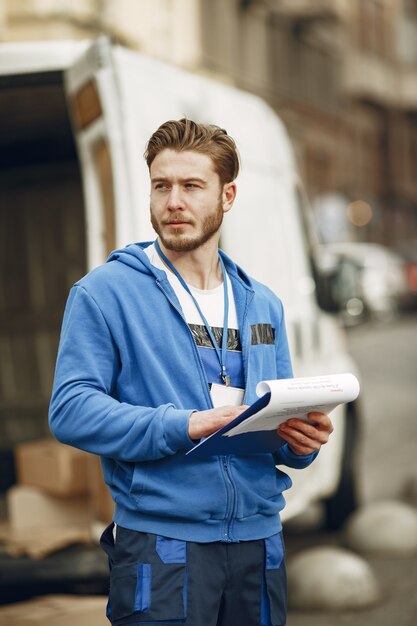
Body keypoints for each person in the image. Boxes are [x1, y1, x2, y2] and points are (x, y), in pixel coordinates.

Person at [49, 118, 334, 626]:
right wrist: (183, 425)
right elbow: (71, 410)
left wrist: (300, 441)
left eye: (191, 186)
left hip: (258, 541)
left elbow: (276, 412)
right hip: (163, 547)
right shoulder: (105, 293)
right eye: (162, 186)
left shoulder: (260, 303)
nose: (173, 201)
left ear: (228, 196)